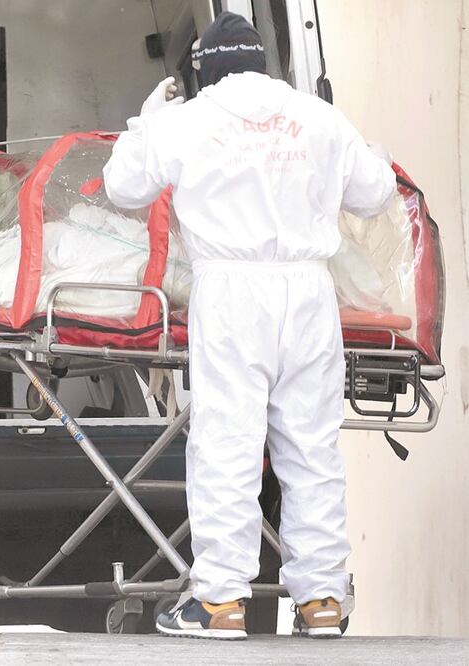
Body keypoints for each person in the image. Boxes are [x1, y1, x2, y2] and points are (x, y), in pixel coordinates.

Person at [103, 12, 394, 640]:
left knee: (228, 443)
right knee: (312, 445)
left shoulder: (187, 120)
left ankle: (221, 601)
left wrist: (146, 121)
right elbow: (375, 193)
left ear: (204, 70)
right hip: (309, 291)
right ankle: (322, 599)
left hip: (231, 292)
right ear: (262, 62)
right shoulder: (317, 118)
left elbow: (121, 186)